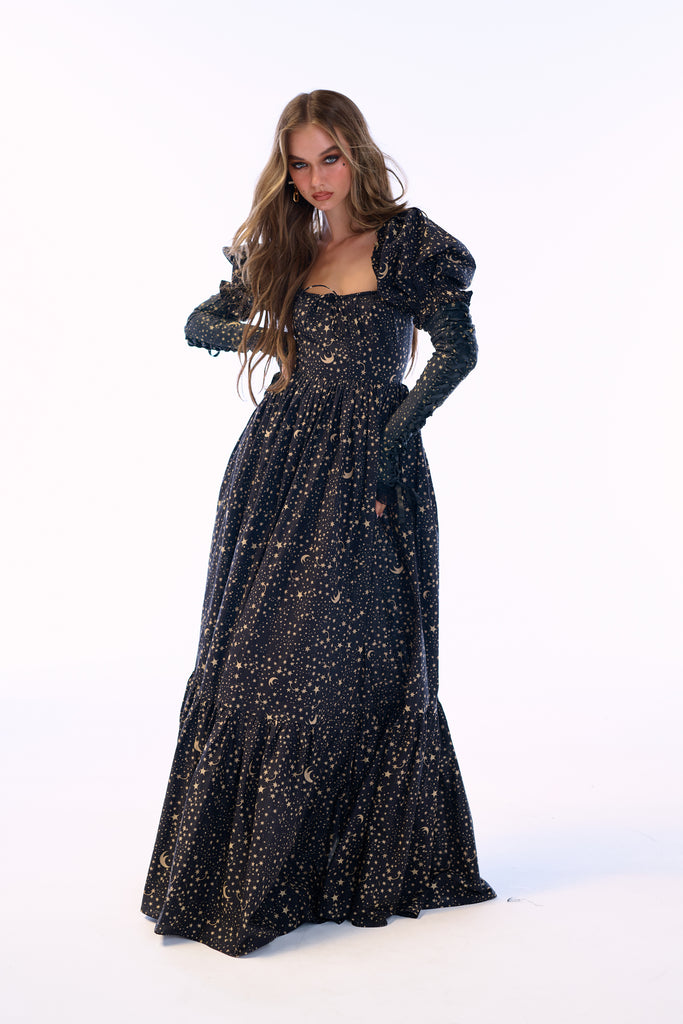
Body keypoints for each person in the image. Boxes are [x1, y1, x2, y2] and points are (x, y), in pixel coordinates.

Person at [140, 89, 496, 958]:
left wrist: (389, 444)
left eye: (328, 158)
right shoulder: (287, 244)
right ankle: (242, 875)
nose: (315, 179)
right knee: (252, 655)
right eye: (299, 165)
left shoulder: (409, 243)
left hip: (372, 465)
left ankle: (348, 869)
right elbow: (198, 323)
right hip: (274, 466)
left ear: (357, 154)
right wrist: (272, 339)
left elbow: (458, 352)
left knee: (350, 660)